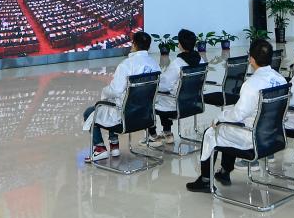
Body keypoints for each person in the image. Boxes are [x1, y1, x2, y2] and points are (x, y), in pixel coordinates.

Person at [186, 39, 286, 192]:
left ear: (251, 59)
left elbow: (238, 115)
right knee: (228, 128)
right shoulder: (281, 79)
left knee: (212, 132)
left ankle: (206, 180)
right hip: (273, 134)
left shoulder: (251, 84)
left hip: (253, 137)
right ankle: (224, 172)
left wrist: (219, 118)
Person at [82, 31, 160, 162]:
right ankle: (114, 145)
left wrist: (104, 91)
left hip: (125, 117)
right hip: (145, 115)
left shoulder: (126, 65)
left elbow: (116, 90)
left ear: (134, 44)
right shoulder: (154, 64)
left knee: (91, 111)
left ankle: (100, 149)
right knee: (111, 105)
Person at [149, 29, 204, 146]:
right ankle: (167, 133)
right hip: (194, 103)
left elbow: (164, 85)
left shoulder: (178, 63)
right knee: (165, 96)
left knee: (153, 97)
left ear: (180, 44)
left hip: (177, 105)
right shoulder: (201, 60)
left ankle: (154, 135)